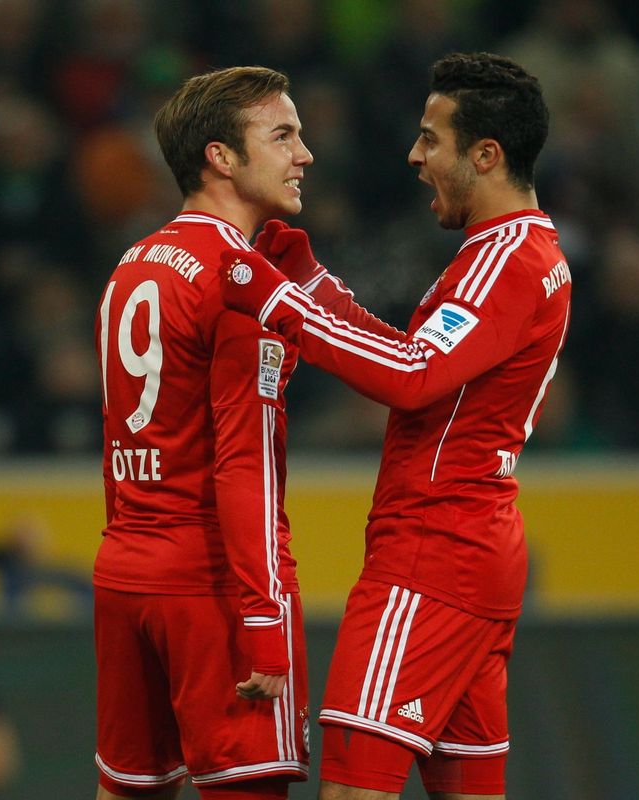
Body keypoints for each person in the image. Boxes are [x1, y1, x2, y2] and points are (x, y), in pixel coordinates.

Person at [221, 52, 571, 800]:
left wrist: (278, 304)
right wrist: (317, 289)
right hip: (476, 552)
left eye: (431, 139)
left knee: (353, 788)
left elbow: (411, 378)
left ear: (487, 155)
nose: (414, 156)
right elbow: (419, 358)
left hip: (430, 556)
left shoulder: (501, 258)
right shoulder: (525, 254)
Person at [93, 66, 313, 800]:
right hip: (211, 587)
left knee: (127, 790)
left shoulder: (132, 264)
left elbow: (114, 442)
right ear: (221, 156)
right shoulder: (240, 282)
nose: (303, 154)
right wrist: (262, 618)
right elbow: (243, 468)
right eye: (282, 135)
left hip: (126, 570)